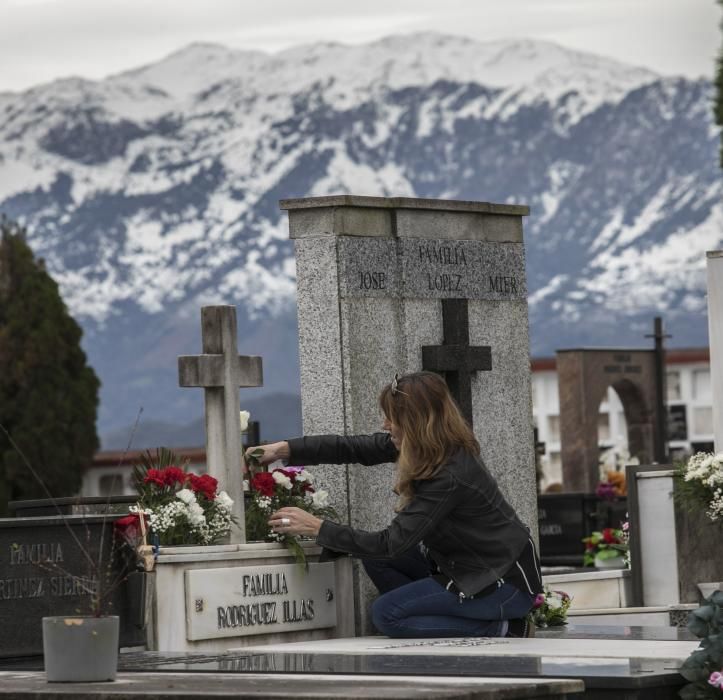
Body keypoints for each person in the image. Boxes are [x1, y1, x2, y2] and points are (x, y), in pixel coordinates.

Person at [245, 371, 542, 638]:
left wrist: (317, 527)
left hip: (502, 584)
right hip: (467, 568)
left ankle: (504, 627)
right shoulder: (430, 447)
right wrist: (284, 449)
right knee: (374, 558)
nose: (384, 424)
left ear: (415, 422)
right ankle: (437, 614)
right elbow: (351, 447)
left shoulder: (449, 475)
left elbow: (392, 543)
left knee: (387, 614)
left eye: (391, 418)